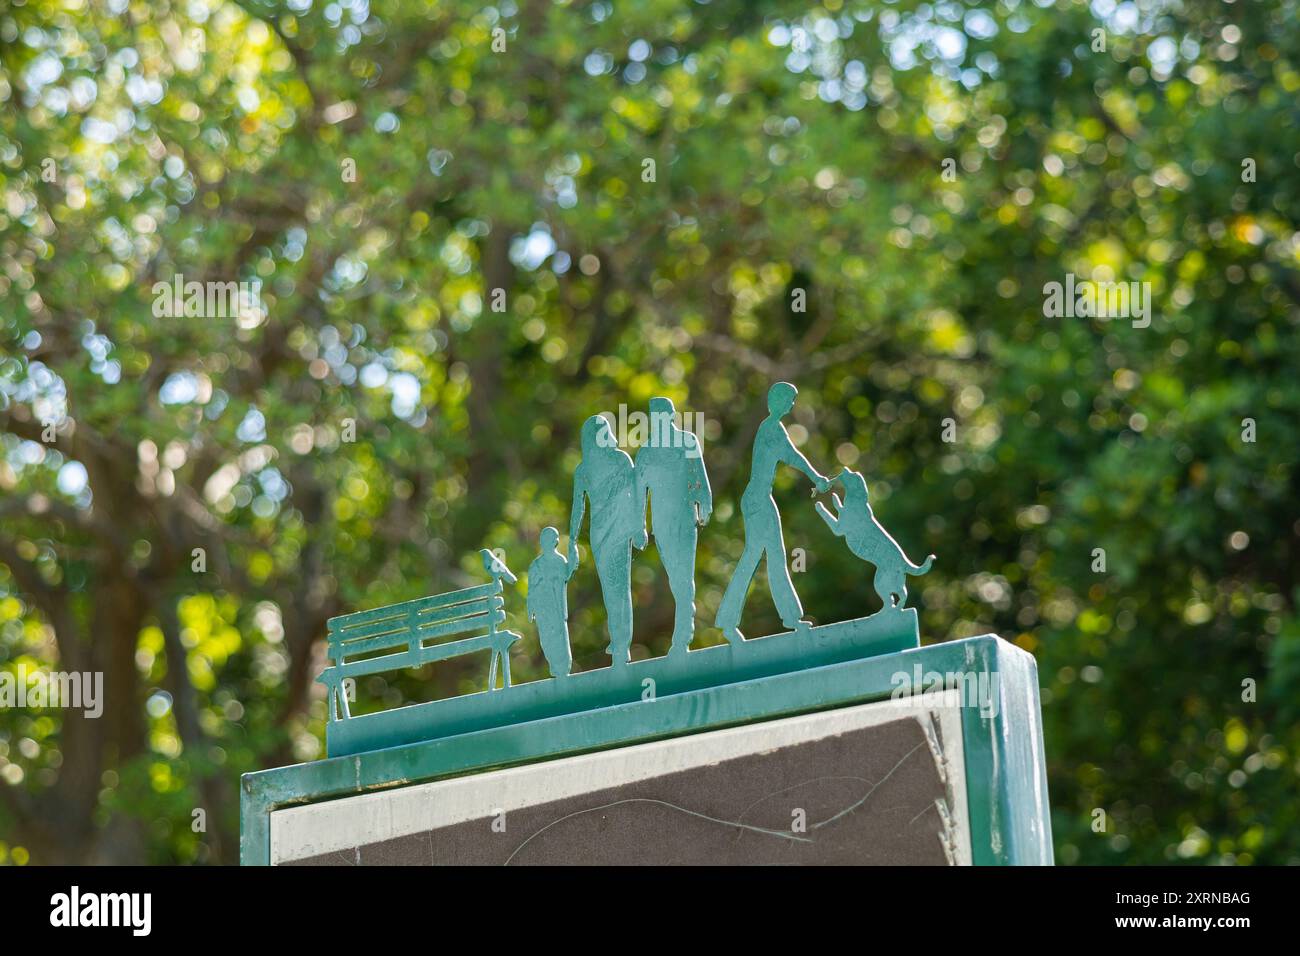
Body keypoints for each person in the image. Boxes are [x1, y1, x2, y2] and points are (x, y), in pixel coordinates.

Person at [715, 382, 830, 643]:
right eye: (789, 400)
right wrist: (817, 477)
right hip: (757, 500)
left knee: (770, 556)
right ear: (776, 400)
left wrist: (817, 477)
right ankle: (730, 621)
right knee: (756, 557)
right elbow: (793, 456)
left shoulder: (771, 427)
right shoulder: (770, 429)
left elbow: (792, 455)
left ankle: (784, 618)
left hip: (760, 499)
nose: (791, 405)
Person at [635, 397, 712, 655]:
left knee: (684, 574)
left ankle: (682, 634)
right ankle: (685, 615)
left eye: (662, 413)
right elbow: (639, 494)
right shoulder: (646, 452)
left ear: (671, 415)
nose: (658, 418)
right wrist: (639, 526)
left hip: (685, 517)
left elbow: (698, 474)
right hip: (661, 521)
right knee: (674, 576)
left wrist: (706, 502)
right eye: (653, 414)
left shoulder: (686, 441)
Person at [568, 415, 648, 664]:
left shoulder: (621, 460)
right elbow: (577, 508)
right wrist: (571, 541)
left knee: (620, 587)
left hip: (621, 529)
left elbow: (637, 493)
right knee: (609, 589)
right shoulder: (583, 470)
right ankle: (617, 640)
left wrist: (639, 526)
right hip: (600, 534)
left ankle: (622, 642)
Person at [526, 527, 572, 677]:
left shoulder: (560, 561)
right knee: (545, 638)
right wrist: (530, 607)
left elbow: (564, 577)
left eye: (549, 540)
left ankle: (563, 666)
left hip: (556, 607)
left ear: (555, 542)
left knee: (559, 635)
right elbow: (531, 589)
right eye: (543, 540)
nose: (546, 542)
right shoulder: (536, 565)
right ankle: (553, 664)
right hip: (541, 607)